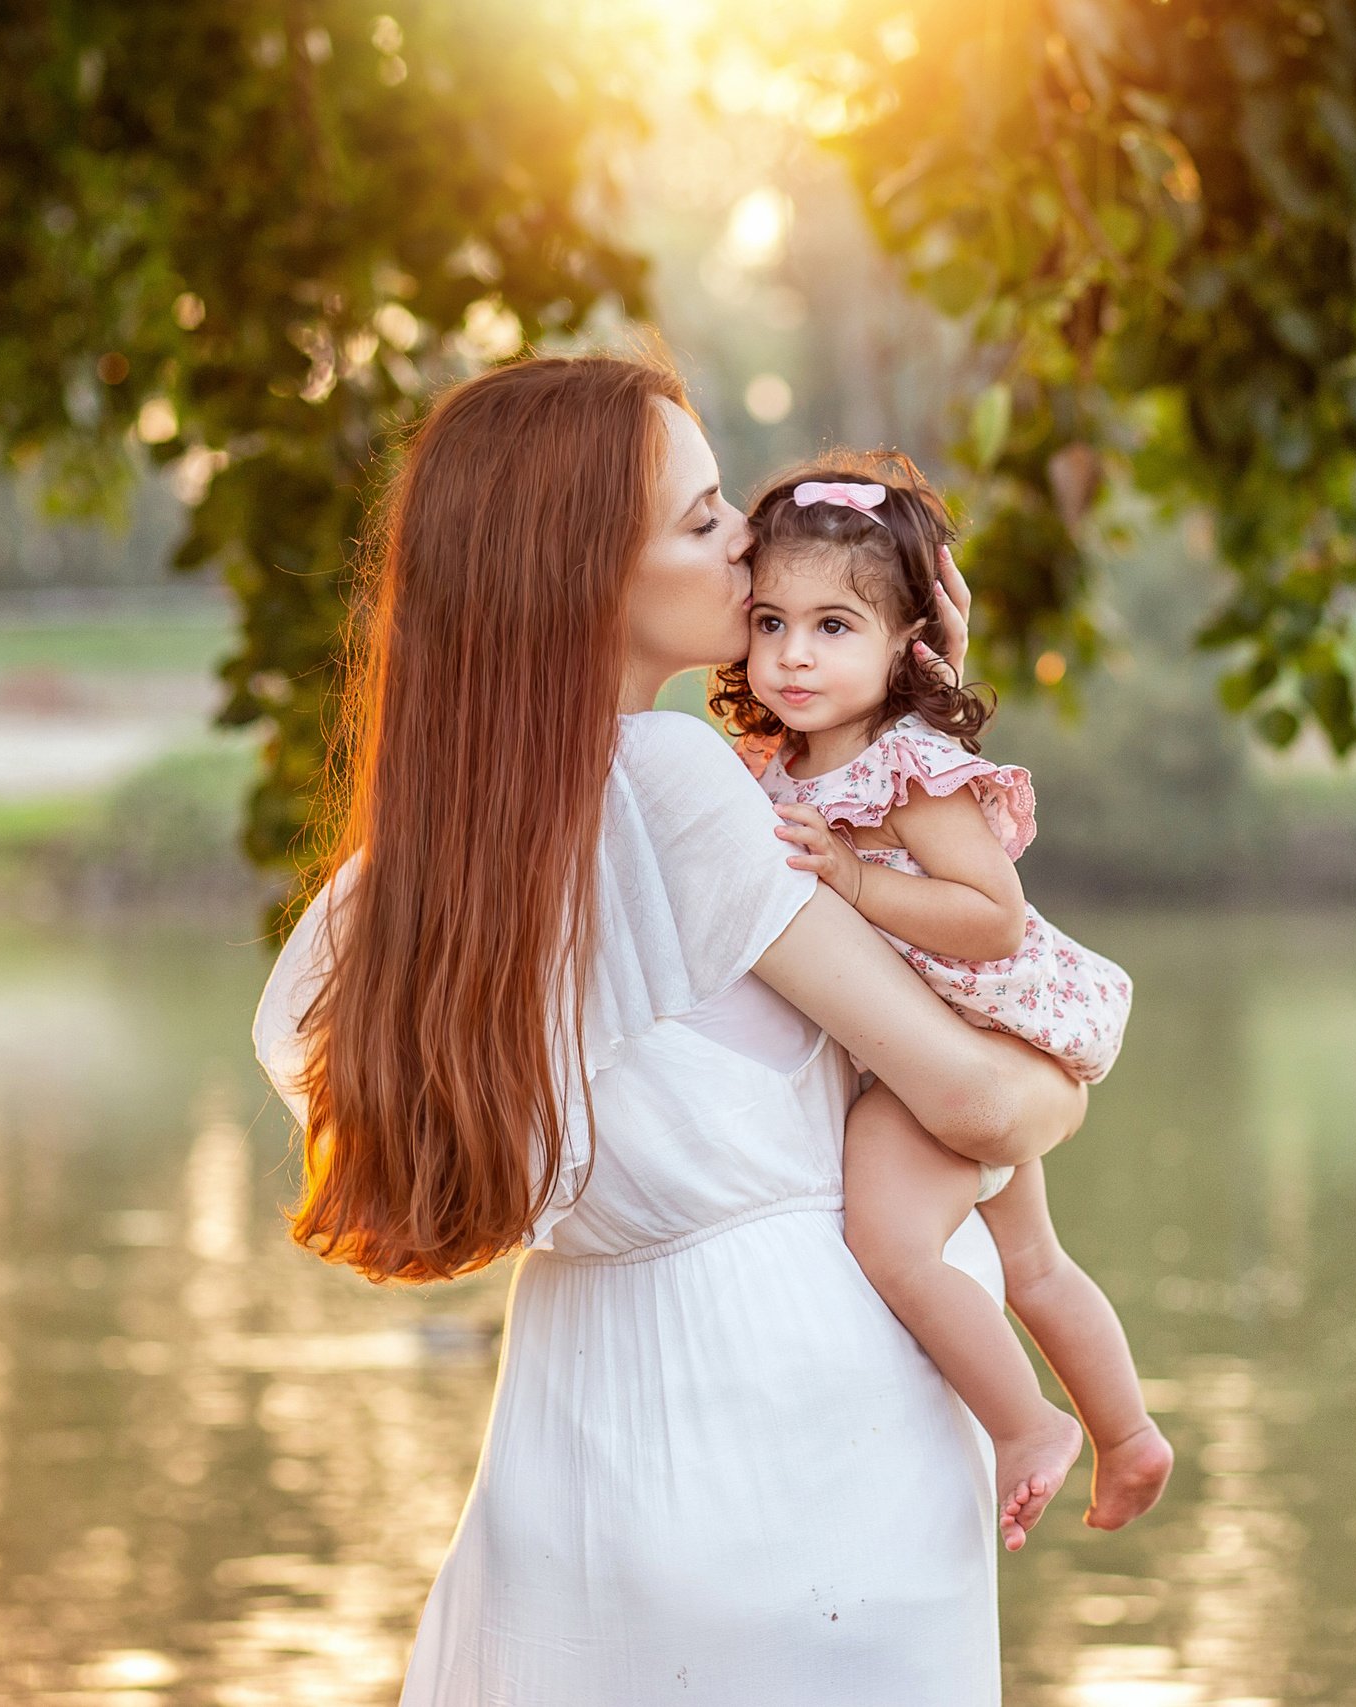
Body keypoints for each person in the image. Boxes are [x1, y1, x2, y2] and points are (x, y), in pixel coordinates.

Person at [250, 353, 1091, 1705]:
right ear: (586, 575)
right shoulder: (676, 784)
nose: (750, 541)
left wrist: (893, 683)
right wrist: (1064, 1091)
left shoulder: (449, 849)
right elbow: (975, 1098)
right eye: (704, 518)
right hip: (791, 1449)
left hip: (584, 1423)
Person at [716, 456, 1172, 1551]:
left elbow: (993, 916)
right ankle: (1131, 1433)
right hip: (919, 1042)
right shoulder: (775, 763)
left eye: (834, 627)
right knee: (1033, 1265)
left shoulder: (908, 769)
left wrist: (859, 878)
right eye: (771, 620)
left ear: (901, 641)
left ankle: (1025, 1426)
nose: (791, 653)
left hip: (964, 1033)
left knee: (893, 1240)